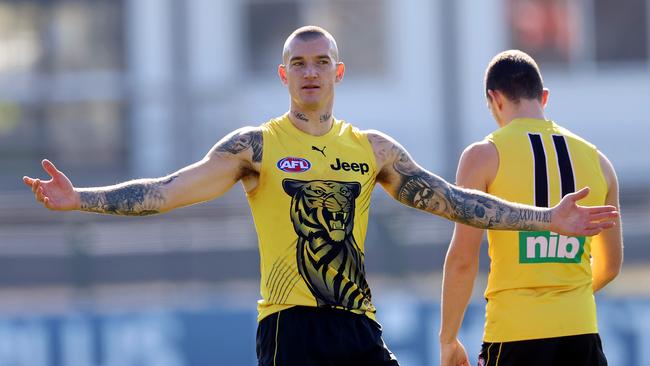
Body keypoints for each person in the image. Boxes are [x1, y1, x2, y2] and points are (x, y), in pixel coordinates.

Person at [24, 28, 617, 366]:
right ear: (285, 75)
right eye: (299, 63)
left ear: (339, 72)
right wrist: (83, 200)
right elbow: (167, 191)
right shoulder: (253, 146)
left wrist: (548, 218)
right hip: (291, 328)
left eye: (322, 62)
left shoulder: (373, 150)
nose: (311, 72)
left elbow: (454, 201)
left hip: (358, 327)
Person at [439, 50, 623, 366]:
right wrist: (564, 297)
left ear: (495, 99)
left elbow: (463, 260)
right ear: (544, 97)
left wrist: (448, 340)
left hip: (514, 336)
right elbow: (611, 265)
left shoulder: (483, 157)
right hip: (581, 336)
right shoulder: (599, 162)